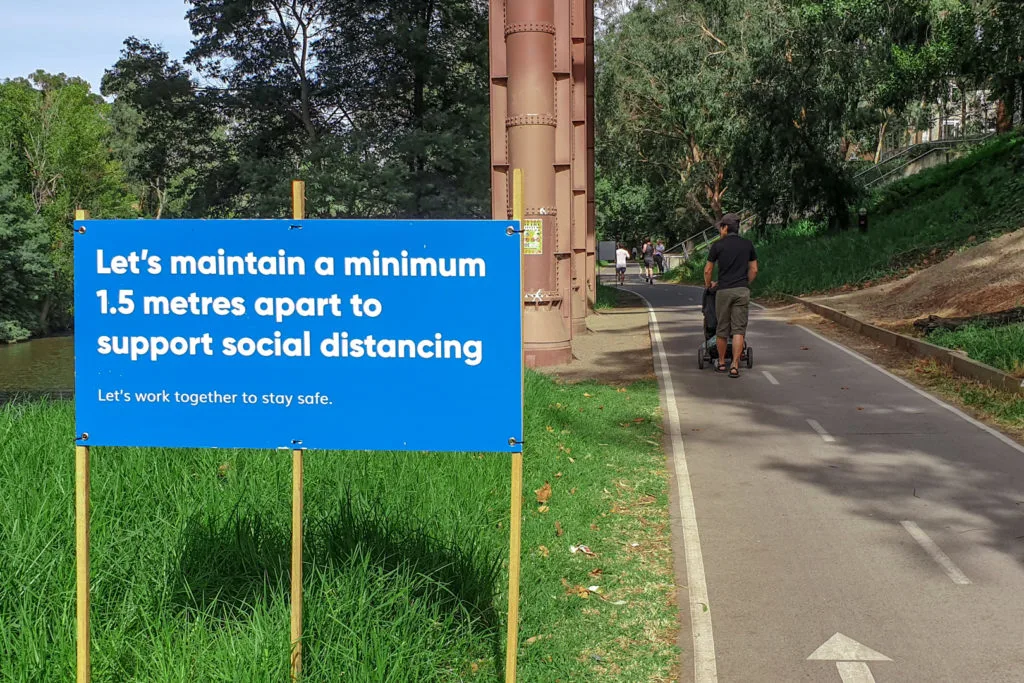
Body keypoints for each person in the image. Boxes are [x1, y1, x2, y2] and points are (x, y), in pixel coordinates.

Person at [704, 213, 758, 378]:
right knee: (738, 330)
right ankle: (735, 365)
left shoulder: (717, 246)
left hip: (724, 291)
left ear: (725, 228)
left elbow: (708, 270)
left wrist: (709, 285)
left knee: (722, 329)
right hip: (742, 290)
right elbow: (754, 269)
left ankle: (721, 362)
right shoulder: (747, 244)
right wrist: (745, 283)